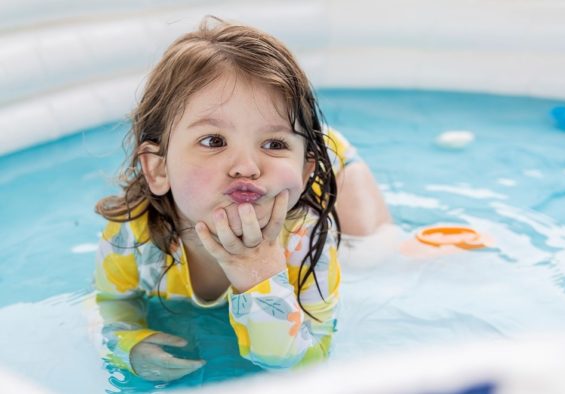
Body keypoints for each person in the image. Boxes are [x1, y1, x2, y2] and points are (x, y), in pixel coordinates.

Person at [93, 16, 389, 381]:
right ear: (157, 169)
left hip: (327, 169)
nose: (246, 167)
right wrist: (130, 345)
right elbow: (112, 304)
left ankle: (323, 152)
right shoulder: (134, 230)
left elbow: (306, 361)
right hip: (298, 157)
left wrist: (261, 274)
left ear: (303, 170)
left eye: (273, 142)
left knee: (375, 245)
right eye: (213, 141)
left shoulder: (305, 236)